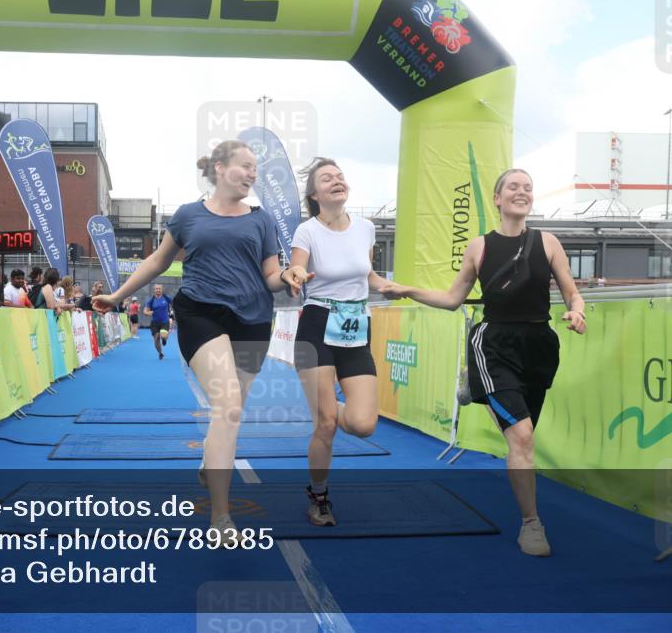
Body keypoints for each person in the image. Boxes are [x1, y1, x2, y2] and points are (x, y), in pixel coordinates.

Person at [92, 140, 292, 546]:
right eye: (246, 165)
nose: (253, 173)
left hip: (254, 320)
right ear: (220, 167)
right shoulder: (188, 215)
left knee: (230, 414)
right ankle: (221, 517)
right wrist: (117, 295)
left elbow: (271, 276)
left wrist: (286, 278)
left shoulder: (263, 220)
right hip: (202, 313)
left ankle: (210, 455)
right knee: (228, 405)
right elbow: (157, 261)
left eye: (255, 168)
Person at [382, 168, 587, 556]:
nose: (521, 192)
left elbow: (572, 293)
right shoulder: (479, 247)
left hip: (539, 347)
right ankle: (531, 525)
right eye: (513, 187)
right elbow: (452, 299)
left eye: (528, 187)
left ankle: (474, 386)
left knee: (522, 435)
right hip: (493, 345)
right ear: (497, 198)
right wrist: (407, 289)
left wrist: (577, 312)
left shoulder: (549, 243)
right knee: (522, 437)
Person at [285, 158, 395, 527]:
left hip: (356, 327)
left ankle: (332, 411)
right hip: (317, 324)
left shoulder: (366, 228)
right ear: (314, 195)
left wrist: (386, 286)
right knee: (327, 424)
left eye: (340, 176)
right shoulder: (307, 231)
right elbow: (297, 266)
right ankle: (318, 496)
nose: (337, 181)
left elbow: (367, 273)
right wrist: (296, 274)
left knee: (364, 425)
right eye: (327, 178)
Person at [144, 284, 173, 360]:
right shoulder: (151, 300)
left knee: (163, 336)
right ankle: (160, 353)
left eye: (159, 289)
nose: (158, 290)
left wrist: (172, 314)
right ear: (154, 290)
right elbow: (145, 311)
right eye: (156, 289)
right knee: (156, 338)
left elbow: (174, 304)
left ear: (162, 290)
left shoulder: (166, 298)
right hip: (155, 323)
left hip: (164, 321)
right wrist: (148, 313)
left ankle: (164, 339)